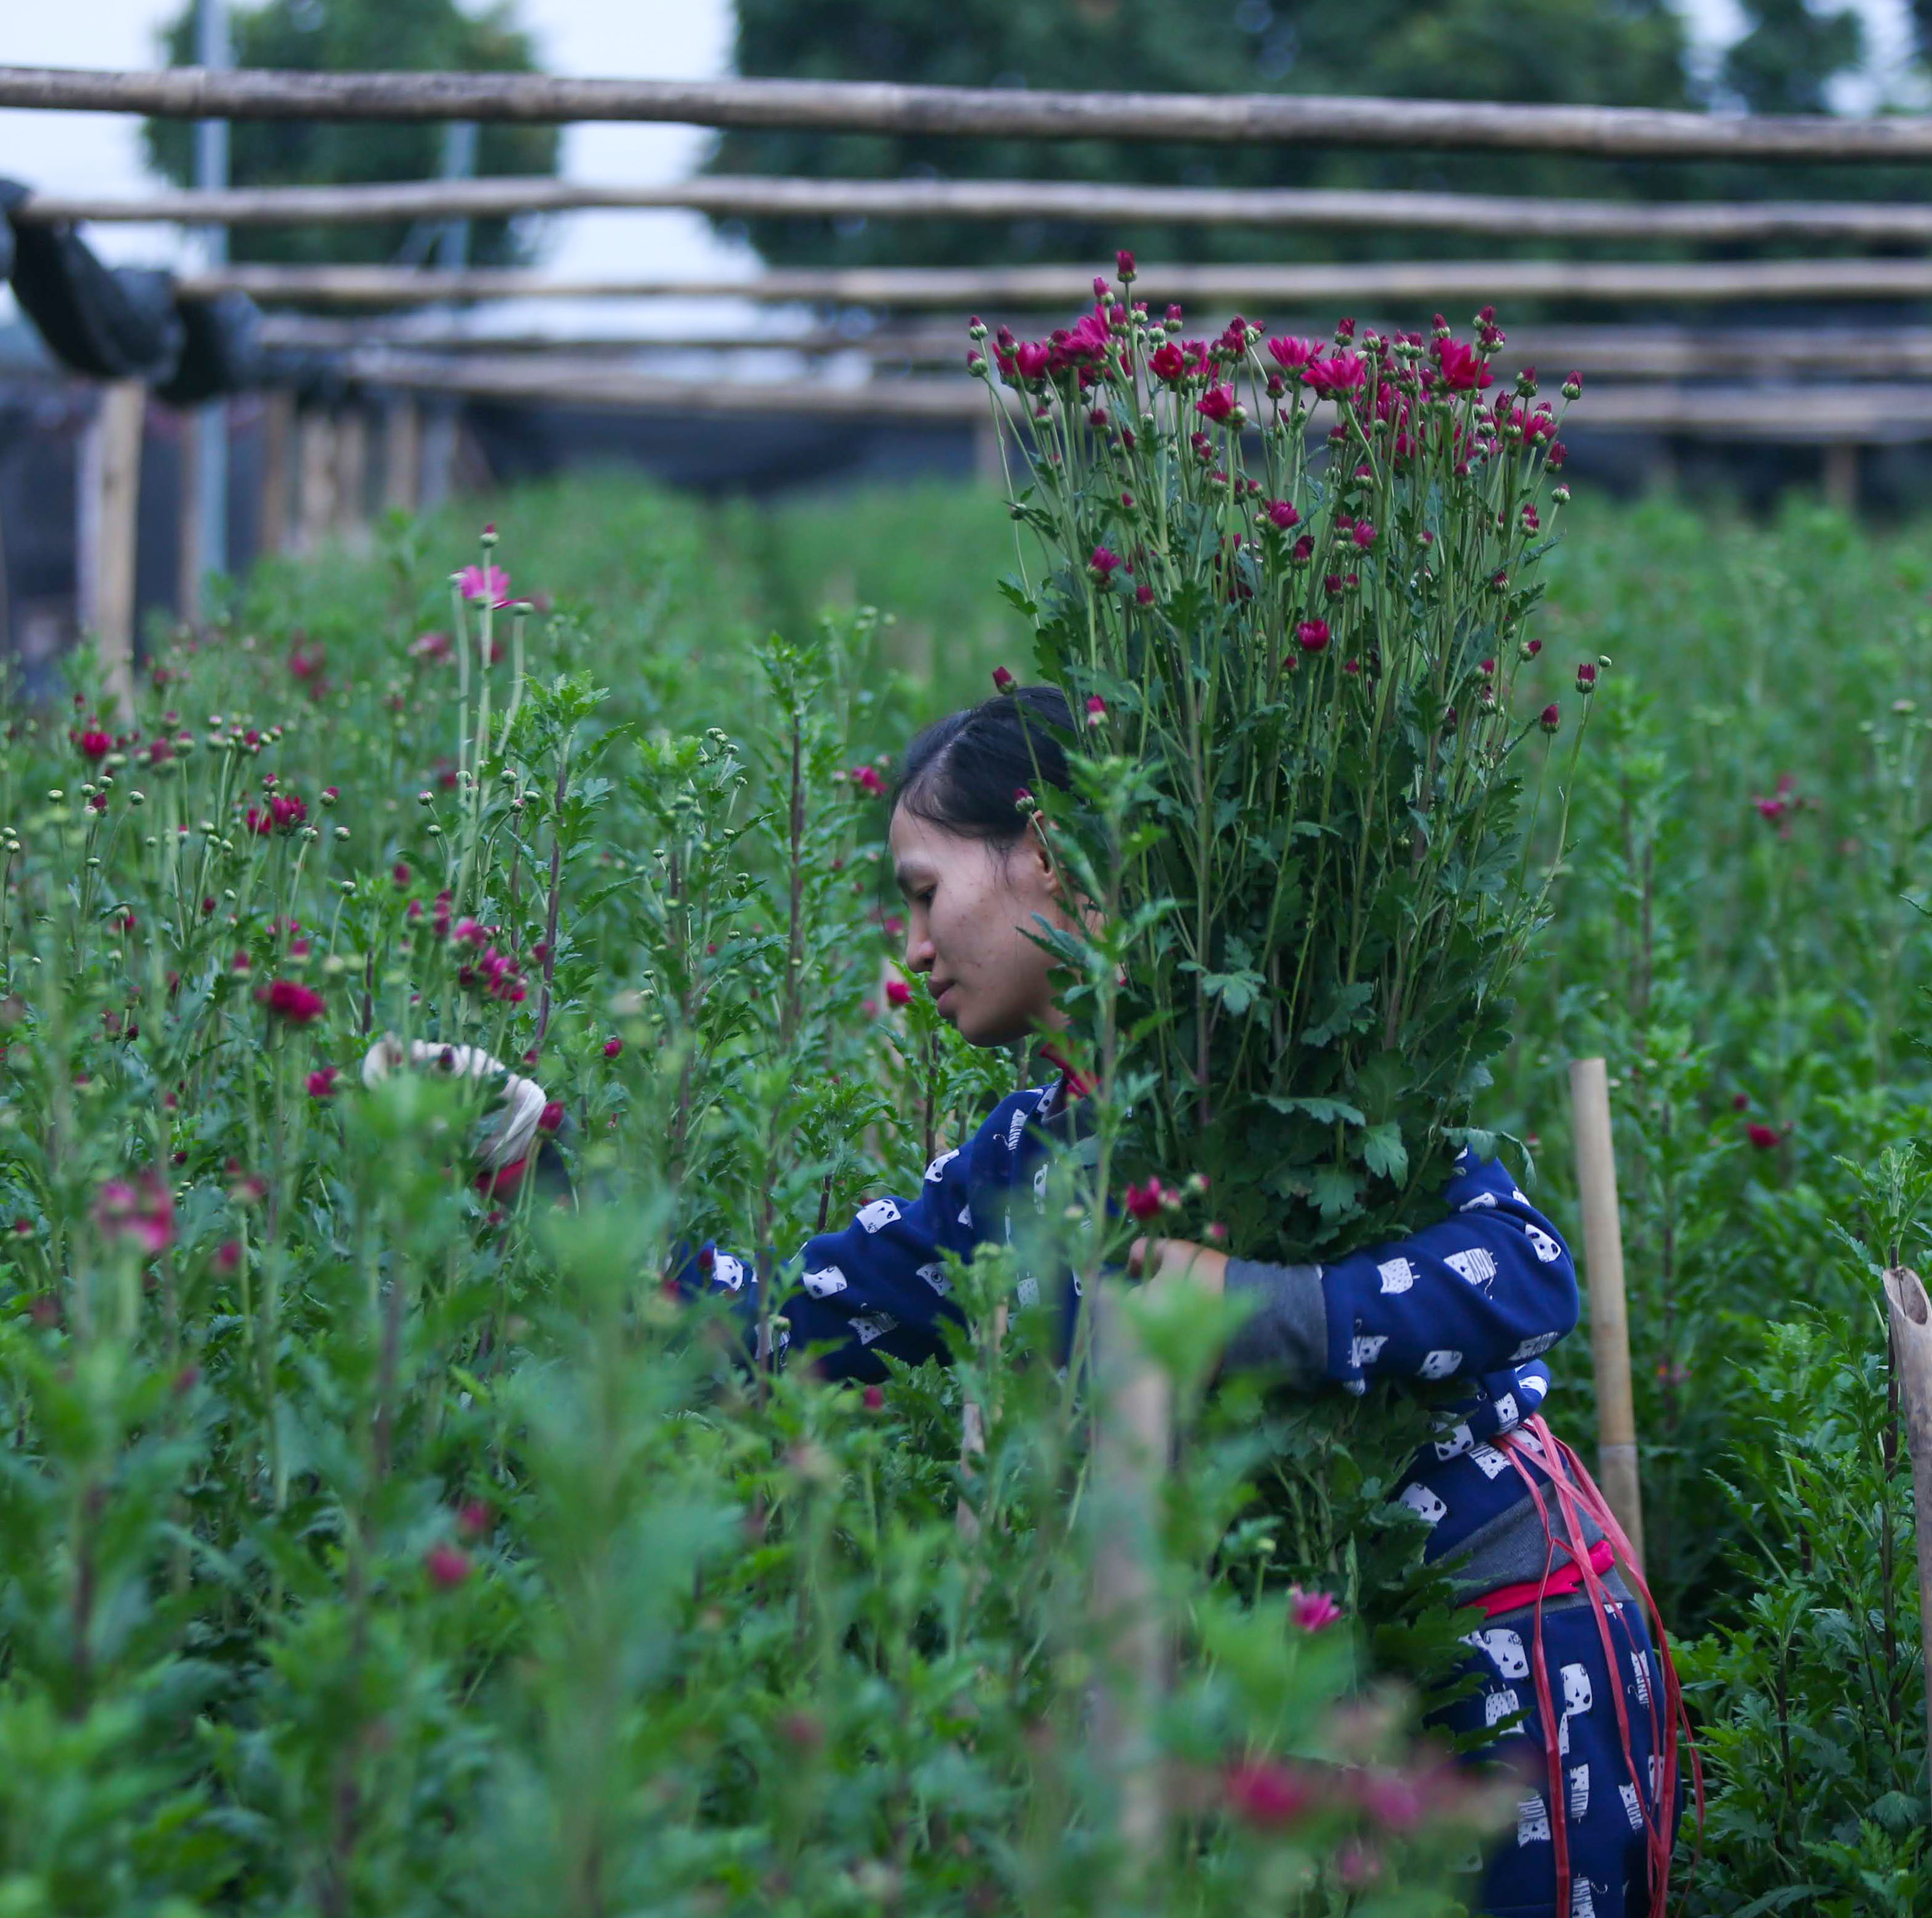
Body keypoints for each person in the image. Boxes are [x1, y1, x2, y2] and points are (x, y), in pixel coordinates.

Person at [675, 685, 1677, 1918]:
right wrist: (531, 1164)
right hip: (1264, 1716)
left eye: (924, 892)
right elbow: (784, 1332)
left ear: (1044, 848)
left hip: (1485, 1677)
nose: (913, 947)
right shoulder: (1026, 1159)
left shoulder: (1281, 1072)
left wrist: (1262, 1305)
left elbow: (1522, 1272)